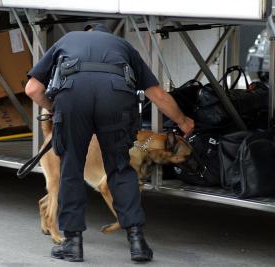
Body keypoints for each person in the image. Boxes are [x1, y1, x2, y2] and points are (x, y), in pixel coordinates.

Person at [25, 22, 194, 262]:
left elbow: (32, 89)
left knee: (71, 169)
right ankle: (137, 243)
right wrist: (183, 121)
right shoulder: (123, 46)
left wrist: (57, 110)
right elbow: (157, 95)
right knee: (120, 169)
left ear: (87, 33)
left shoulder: (66, 41)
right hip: (115, 101)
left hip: (73, 100)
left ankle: (72, 244)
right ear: (108, 36)